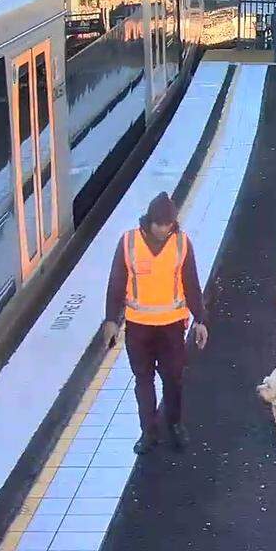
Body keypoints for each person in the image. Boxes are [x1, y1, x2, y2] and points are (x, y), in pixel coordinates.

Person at [102, 192, 209, 455]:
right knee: (143, 380)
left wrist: (201, 320)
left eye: (169, 225)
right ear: (149, 221)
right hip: (138, 327)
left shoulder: (182, 244)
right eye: (159, 224)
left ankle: (174, 425)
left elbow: (191, 284)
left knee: (173, 379)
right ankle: (148, 432)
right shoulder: (128, 243)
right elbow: (116, 283)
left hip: (172, 326)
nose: (164, 230)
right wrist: (111, 320)